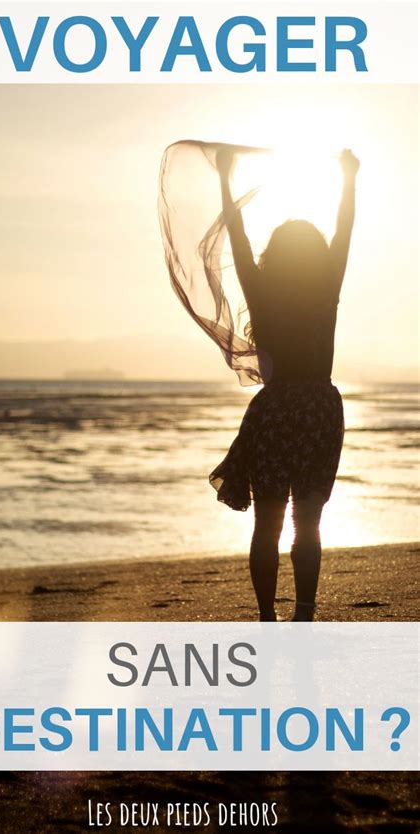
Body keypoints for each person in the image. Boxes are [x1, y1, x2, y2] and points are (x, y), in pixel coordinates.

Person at [210, 148, 360, 621]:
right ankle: (304, 612)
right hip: (318, 406)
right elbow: (345, 229)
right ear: (316, 256)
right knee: (308, 521)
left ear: (274, 256)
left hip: (274, 412)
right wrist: (348, 178)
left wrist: (224, 179)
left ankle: (266, 617)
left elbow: (237, 237)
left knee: (267, 523)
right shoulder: (325, 287)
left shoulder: (262, 289)